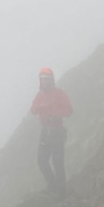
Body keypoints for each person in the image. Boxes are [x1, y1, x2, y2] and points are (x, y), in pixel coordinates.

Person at [30, 67, 73, 196]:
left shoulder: (59, 94)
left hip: (57, 132)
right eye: (42, 80)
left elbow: (69, 111)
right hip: (45, 132)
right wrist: (40, 107)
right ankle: (52, 185)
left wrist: (54, 115)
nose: (44, 82)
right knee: (42, 161)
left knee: (57, 162)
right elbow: (33, 110)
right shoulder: (40, 95)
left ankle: (61, 190)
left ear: (51, 80)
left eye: (47, 80)